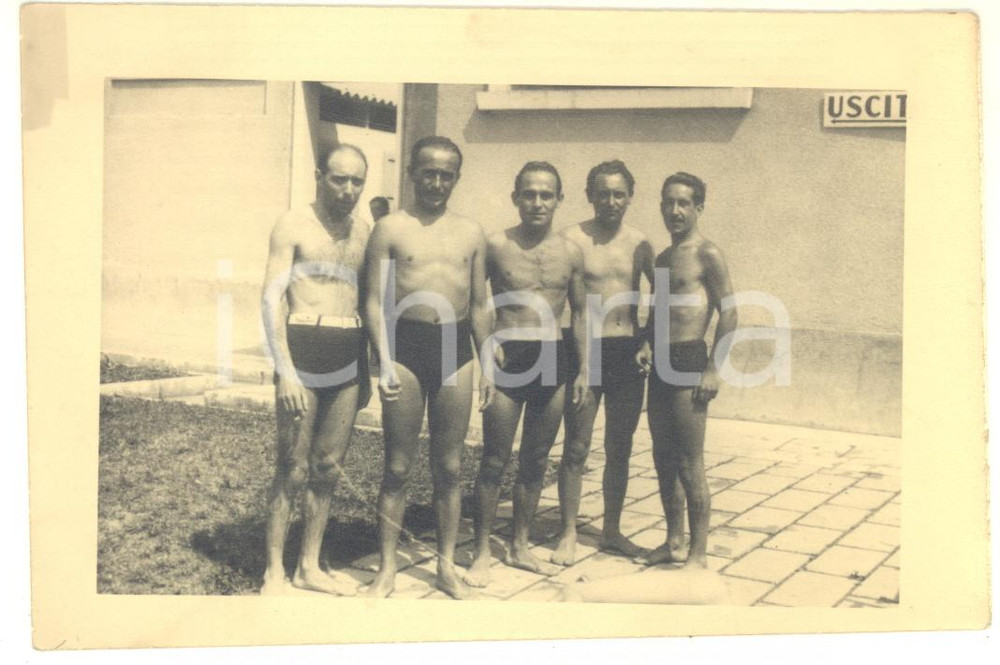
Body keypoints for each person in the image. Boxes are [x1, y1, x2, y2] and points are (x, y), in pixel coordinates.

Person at [363, 136, 491, 599]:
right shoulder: (391, 228)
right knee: (397, 467)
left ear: (457, 177)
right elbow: (373, 302)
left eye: (446, 174)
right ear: (413, 174)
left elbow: (479, 304)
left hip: (456, 349)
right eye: (429, 173)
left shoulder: (472, 232)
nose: (437, 182)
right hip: (405, 349)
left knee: (450, 468)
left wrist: (489, 365)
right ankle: (387, 570)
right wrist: (382, 363)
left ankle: (445, 567)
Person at [465, 162, 588, 587]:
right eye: (529, 194)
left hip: (553, 355)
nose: (538, 202)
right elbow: (476, 304)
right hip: (507, 355)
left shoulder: (571, 251)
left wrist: (585, 367)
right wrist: (485, 357)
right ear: (516, 197)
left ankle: (518, 545)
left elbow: (583, 310)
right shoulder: (496, 245)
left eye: (546, 194)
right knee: (494, 459)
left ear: (559, 199)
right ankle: (481, 550)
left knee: (536, 460)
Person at [259, 144, 372, 595]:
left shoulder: (364, 232)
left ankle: (308, 566)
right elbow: (270, 299)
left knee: (327, 466)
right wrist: (284, 369)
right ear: (319, 176)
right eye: (338, 179)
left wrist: (365, 369)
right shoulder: (293, 224)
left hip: (348, 351)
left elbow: (366, 303)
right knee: (293, 468)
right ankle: (273, 571)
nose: (347, 189)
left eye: (356, 181)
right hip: (302, 349)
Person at [551, 160, 655, 566]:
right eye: (602, 193)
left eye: (619, 193)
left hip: (626, 352)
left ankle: (611, 530)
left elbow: (660, 293)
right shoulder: (571, 238)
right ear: (589, 195)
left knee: (620, 447)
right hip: (582, 352)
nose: (610, 201)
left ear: (630, 196)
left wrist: (647, 340)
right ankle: (568, 531)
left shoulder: (641, 243)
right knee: (576, 447)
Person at [635, 172, 736, 568]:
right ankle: (673, 542)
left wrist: (713, 369)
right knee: (662, 457)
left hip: (690, 360)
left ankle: (698, 553)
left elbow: (730, 311)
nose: (674, 211)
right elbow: (660, 311)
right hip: (660, 362)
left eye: (683, 203)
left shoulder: (706, 253)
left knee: (689, 463)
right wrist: (645, 341)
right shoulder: (663, 257)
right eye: (667, 203)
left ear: (698, 207)